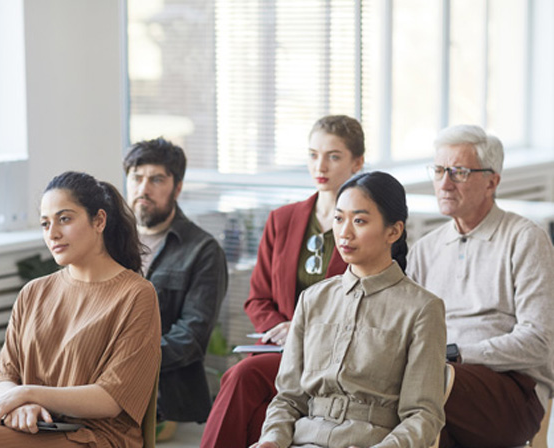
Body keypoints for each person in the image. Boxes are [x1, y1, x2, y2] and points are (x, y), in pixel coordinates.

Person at [0, 171, 161, 448]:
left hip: (98, 436)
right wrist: (22, 404)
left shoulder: (136, 295)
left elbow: (111, 398)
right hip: (38, 427)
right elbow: (6, 375)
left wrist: (28, 395)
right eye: (45, 224)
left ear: (99, 220)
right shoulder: (33, 292)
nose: (53, 234)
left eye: (65, 219)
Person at [201, 115, 363, 447]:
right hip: (282, 351)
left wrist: (302, 330)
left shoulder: (364, 226)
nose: (321, 165)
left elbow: (368, 305)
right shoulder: (283, 219)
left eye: (333, 156)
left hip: (335, 356)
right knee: (248, 394)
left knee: (242, 378)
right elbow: (258, 299)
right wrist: (286, 331)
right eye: (313, 154)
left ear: (357, 163)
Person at [254, 171, 446, 448]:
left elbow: (423, 416)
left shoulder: (422, 309)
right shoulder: (313, 299)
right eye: (339, 218)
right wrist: (271, 440)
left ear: (394, 231)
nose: (344, 233)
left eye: (359, 221)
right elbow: (287, 399)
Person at [407, 124, 554, 447]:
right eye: (439, 170)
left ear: (492, 181)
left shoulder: (525, 239)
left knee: (427, 388)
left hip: (514, 390)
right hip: (439, 382)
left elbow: (538, 341)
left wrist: (458, 355)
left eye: (458, 172)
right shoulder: (425, 250)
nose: (444, 183)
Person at [123, 138, 228, 433]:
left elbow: (191, 336)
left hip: (163, 397)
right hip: (102, 382)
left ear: (177, 187)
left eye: (156, 179)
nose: (144, 189)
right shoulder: (107, 242)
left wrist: (129, 362)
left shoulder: (202, 250)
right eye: (137, 178)